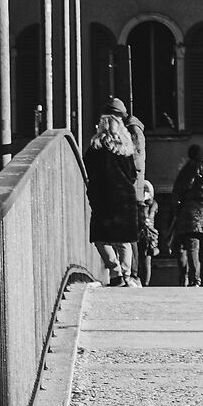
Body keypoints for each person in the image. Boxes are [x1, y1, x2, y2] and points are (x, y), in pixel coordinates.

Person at [84, 114, 140, 285]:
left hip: (103, 197)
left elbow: (87, 170)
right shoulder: (126, 149)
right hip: (125, 198)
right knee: (125, 239)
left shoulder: (95, 147)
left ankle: (115, 272)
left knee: (100, 238)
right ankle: (127, 274)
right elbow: (132, 174)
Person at [171, 144, 203, 287]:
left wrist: (177, 208)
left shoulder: (189, 168)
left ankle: (194, 279)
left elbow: (180, 188)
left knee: (193, 244)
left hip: (191, 208)